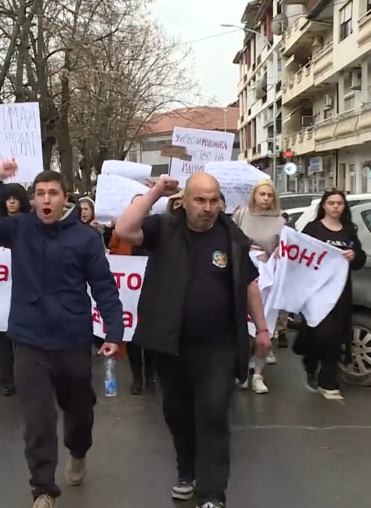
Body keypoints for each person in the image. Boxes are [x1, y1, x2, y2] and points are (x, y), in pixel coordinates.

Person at [0, 161, 123, 508]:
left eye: (52, 193)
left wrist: (114, 331)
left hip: (72, 339)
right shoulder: (20, 228)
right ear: (33, 200)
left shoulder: (85, 238)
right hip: (30, 338)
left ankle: (79, 450)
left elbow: (104, 286)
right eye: (40, 194)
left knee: (79, 410)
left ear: (65, 198)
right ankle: (42, 489)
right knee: (38, 419)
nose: (46, 199)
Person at [114, 172, 269, 508]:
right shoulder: (164, 228)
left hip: (219, 346)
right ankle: (187, 472)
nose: (208, 207)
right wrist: (155, 191)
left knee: (213, 414)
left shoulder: (232, 237)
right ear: (185, 201)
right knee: (178, 414)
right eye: (200, 200)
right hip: (171, 345)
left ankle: (213, 494)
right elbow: (124, 230)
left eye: (214, 200)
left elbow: (249, 284)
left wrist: (262, 329)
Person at [298, 189, 366, 399]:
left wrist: (354, 255)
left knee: (335, 335)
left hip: (340, 293)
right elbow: (301, 256)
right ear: (324, 206)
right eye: (331, 203)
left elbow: (360, 261)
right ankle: (311, 363)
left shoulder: (348, 231)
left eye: (339, 203)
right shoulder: (313, 229)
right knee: (318, 333)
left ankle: (328, 380)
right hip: (317, 292)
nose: (336, 207)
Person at [231, 179, 286, 394]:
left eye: (269, 195)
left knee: (265, 326)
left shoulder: (280, 221)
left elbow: (287, 248)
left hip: (268, 279)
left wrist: (276, 253)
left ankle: (259, 374)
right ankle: (243, 370)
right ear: (254, 195)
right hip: (244, 277)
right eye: (262, 194)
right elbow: (231, 240)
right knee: (243, 328)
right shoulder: (241, 215)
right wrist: (248, 247)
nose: (265, 199)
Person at [0, 182, 31, 395]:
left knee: (22, 339)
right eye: (8, 198)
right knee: (0, 338)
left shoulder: (31, 225)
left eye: (15, 198)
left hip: (24, 288)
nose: (11, 202)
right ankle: (7, 379)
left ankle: (25, 378)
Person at [108, 195, 153, 395]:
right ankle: (137, 378)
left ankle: (150, 375)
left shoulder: (154, 228)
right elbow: (113, 251)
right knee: (133, 335)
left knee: (151, 335)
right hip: (129, 290)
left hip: (150, 288)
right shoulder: (122, 228)